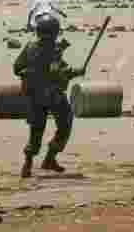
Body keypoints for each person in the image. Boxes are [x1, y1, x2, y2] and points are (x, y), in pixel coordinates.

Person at [14, 13, 85, 178]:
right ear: (54, 32)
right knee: (65, 123)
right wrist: (75, 72)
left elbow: (17, 68)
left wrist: (30, 73)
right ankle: (50, 158)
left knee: (36, 131)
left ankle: (28, 164)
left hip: (33, 95)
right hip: (53, 95)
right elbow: (58, 73)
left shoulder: (30, 47)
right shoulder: (53, 50)